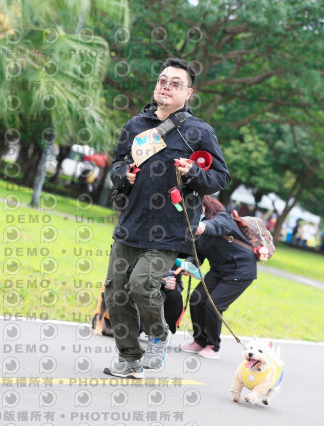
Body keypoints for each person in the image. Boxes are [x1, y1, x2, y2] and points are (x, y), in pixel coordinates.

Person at [103, 58, 231, 378]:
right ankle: (130, 358)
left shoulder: (199, 131)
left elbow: (220, 177)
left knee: (141, 283)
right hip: (131, 223)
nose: (166, 86)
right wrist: (124, 174)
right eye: (162, 80)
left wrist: (193, 172)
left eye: (176, 83)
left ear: (188, 93)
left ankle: (158, 335)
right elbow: (117, 163)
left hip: (170, 228)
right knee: (116, 291)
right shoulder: (135, 125)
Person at [181, 197, 256, 359]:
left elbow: (217, 226)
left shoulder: (222, 217)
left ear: (206, 207)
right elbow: (198, 255)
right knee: (196, 298)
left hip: (241, 270)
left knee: (213, 304)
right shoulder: (197, 228)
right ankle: (200, 340)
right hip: (219, 270)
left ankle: (213, 346)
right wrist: (188, 265)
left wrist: (203, 226)